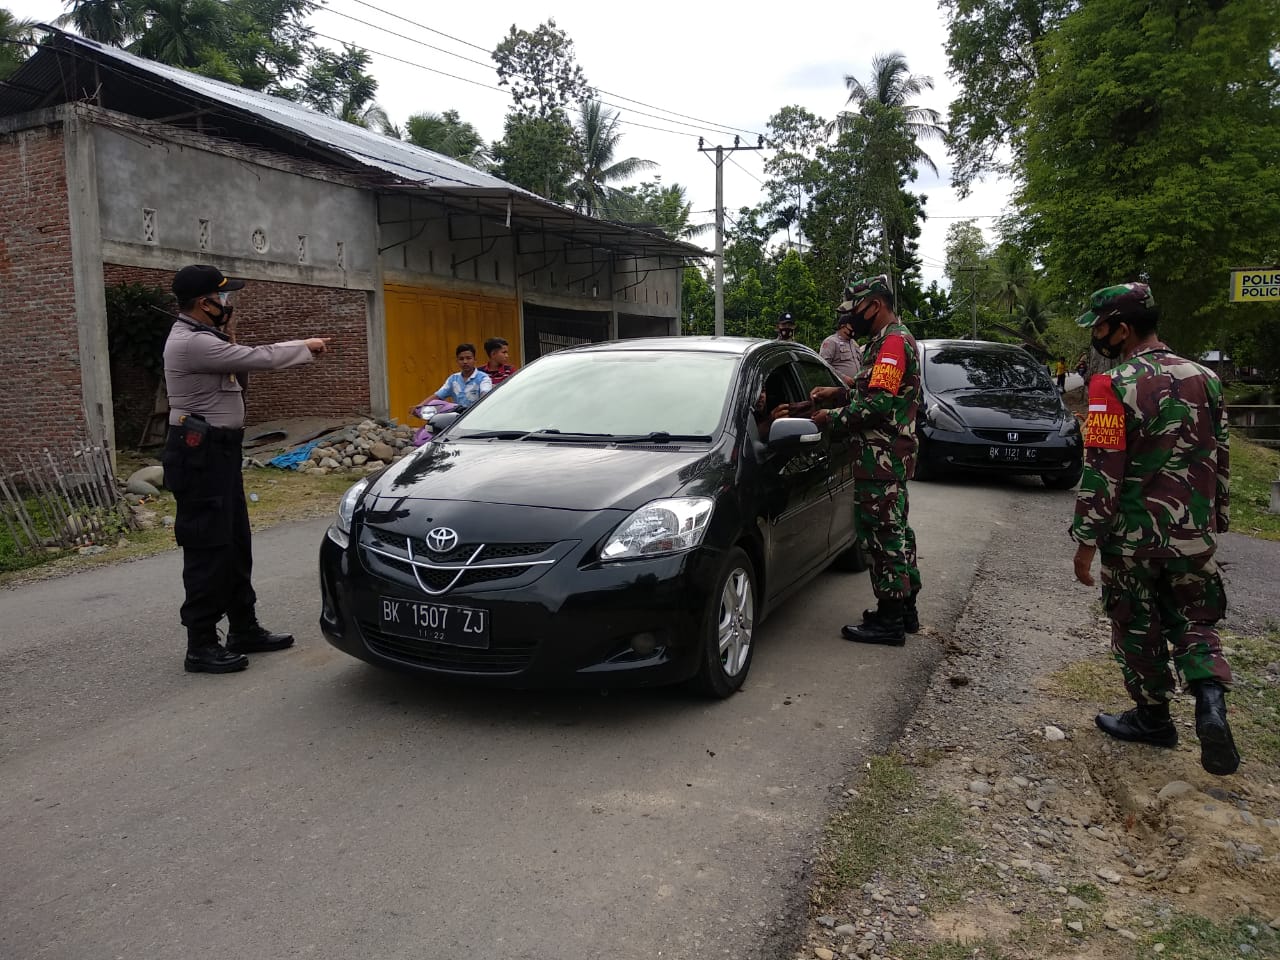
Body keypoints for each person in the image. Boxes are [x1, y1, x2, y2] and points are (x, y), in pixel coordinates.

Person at [1070, 282, 1238, 776]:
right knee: (1195, 622)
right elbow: (1220, 455)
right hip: (1193, 535)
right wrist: (1216, 518)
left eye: (1100, 328)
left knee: (1136, 625)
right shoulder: (1205, 378)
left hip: (1132, 540)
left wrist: (1086, 541)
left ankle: (1153, 718)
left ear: (1122, 329)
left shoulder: (1110, 386)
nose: (1098, 338)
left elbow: (1103, 469)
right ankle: (1210, 702)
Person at [162, 265, 330, 674]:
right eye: (223, 298)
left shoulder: (207, 338)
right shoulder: (191, 343)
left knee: (235, 542)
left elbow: (239, 373)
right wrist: (307, 345)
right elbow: (260, 358)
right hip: (200, 456)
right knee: (208, 546)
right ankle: (200, 643)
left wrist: (229, 332)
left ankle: (243, 626)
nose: (228, 305)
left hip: (219, 453)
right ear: (204, 303)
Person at [808, 275, 922, 645]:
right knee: (898, 532)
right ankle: (904, 610)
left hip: (880, 457)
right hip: (887, 456)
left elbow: (877, 405)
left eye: (856, 308)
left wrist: (830, 420)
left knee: (882, 536)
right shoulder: (888, 341)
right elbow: (870, 388)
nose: (852, 316)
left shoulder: (892, 343)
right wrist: (838, 391)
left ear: (875, 304)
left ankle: (889, 621)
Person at [432, 343, 493, 408]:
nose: (465, 362)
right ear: (457, 361)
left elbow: (485, 395)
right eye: (461, 359)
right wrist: (421, 406)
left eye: (468, 358)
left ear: (475, 360)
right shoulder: (453, 379)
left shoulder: (483, 378)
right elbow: (438, 395)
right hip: (459, 417)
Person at [819, 308, 863, 386]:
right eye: (851, 326)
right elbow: (824, 365)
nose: (853, 329)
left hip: (855, 388)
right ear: (843, 326)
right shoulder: (831, 342)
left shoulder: (853, 343)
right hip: (838, 386)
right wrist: (843, 377)